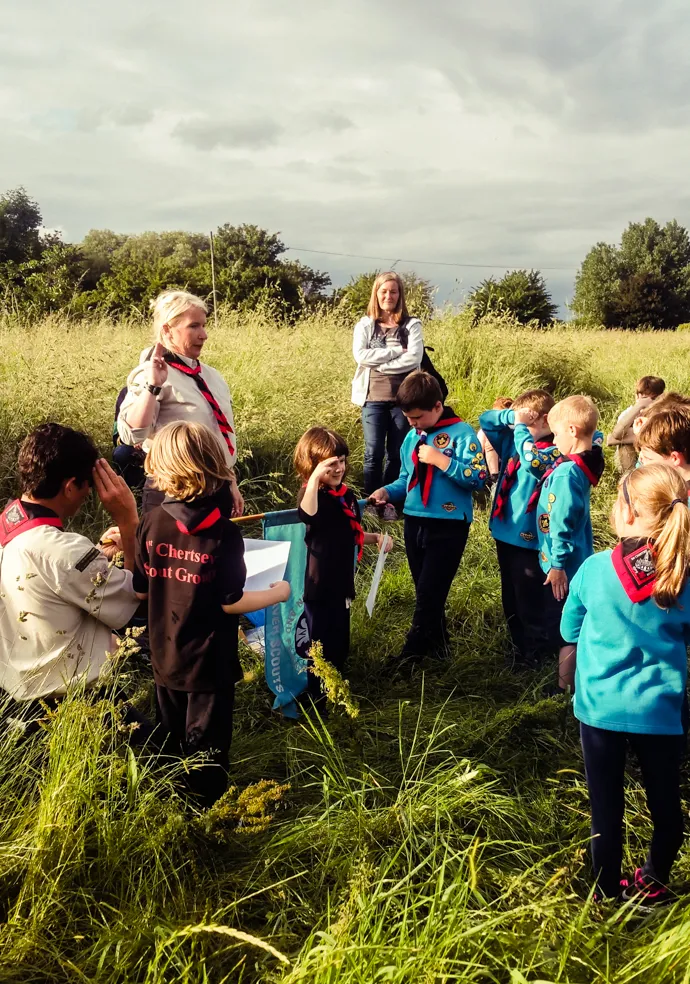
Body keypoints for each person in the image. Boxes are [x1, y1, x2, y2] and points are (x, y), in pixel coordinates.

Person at [133, 420, 289, 807]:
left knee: (170, 737)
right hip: (209, 663)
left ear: (160, 470)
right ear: (215, 467)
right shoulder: (224, 534)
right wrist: (278, 593)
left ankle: (170, 803)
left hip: (164, 654)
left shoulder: (151, 522)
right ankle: (206, 813)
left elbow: (139, 588)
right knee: (208, 748)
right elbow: (230, 601)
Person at [561, 464, 690, 904]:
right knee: (667, 806)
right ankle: (654, 879)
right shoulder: (682, 576)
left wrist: (570, 652)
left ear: (629, 514)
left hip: (600, 710)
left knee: (606, 809)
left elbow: (569, 624)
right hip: (661, 712)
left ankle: (604, 895)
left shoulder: (595, 568)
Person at [0, 423, 141, 703]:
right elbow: (134, 595)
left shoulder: (9, 524)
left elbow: (52, 574)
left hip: (14, 689)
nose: (89, 492)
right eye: (87, 484)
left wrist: (98, 553)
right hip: (71, 699)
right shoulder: (66, 551)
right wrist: (128, 522)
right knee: (167, 746)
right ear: (69, 486)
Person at [369, 371, 487, 662]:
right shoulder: (412, 437)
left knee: (428, 594)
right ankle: (439, 649)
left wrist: (443, 461)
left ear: (437, 406)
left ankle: (411, 654)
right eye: (408, 418)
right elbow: (406, 480)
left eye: (418, 417)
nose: (412, 423)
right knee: (425, 588)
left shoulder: (462, 434)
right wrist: (387, 491)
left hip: (448, 525)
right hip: (415, 520)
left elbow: (478, 478)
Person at [117, 290, 244, 517]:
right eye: (193, 326)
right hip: (173, 490)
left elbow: (219, 434)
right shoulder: (149, 374)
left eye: (204, 325)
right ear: (167, 330)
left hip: (216, 486)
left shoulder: (211, 376)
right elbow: (132, 434)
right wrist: (153, 386)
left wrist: (229, 480)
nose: (203, 335)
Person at [295, 427, 391, 702]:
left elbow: (349, 533)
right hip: (320, 585)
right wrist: (315, 478)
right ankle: (316, 698)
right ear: (312, 467)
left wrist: (376, 539)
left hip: (342, 583)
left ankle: (336, 692)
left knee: (339, 644)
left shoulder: (346, 496)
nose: (339, 468)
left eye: (342, 461)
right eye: (331, 464)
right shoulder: (312, 496)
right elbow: (307, 515)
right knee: (320, 646)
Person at [478, 390, 560, 667]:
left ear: (547, 421)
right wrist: (513, 417)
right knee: (510, 596)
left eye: (529, 424)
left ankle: (536, 653)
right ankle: (518, 646)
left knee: (530, 599)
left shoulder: (554, 451)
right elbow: (486, 420)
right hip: (504, 531)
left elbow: (532, 463)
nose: (519, 430)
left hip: (529, 538)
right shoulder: (514, 440)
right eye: (517, 426)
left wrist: (521, 430)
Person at [531, 395, 604, 689]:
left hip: (562, 564)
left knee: (566, 624)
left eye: (557, 433)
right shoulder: (586, 463)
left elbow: (561, 522)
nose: (555, 439)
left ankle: (564, 687)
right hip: (577, 556)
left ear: (572, 431)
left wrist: (557, 564)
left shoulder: (567, 473)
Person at [351, 272, 424, 508]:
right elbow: (360, 355)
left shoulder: (411, 324)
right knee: (373, 453)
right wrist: (394, 353)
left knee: (396, 454)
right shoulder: (365, 325)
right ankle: (370, 504)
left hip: (402, 401)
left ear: (400, 294)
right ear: (376, 294)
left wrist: (380, 365)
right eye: (383, 291)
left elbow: (414, 358)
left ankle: (389, 503)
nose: (388, 296)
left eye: (393, 291)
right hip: (372, 398)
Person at [607, 375, 665, 473]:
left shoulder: (663, 413)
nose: (649, 403)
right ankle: (629, 478)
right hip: (630, 461)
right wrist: (639, 406)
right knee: (624, 446)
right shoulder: (629, 413)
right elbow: (617, 435)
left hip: (655, 460)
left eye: (653, 398)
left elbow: (612, 439)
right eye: (645, 398)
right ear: (637, 397)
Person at [637, 405, 690, 488]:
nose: (640, 460)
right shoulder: (672, 481)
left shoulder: (680, 497)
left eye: (649, 458)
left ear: (675, 458)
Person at [477, 397, 513, 483]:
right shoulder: (485, 431)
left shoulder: (513, 431)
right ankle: (494, 478)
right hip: (488, 470)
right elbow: (478, 453)